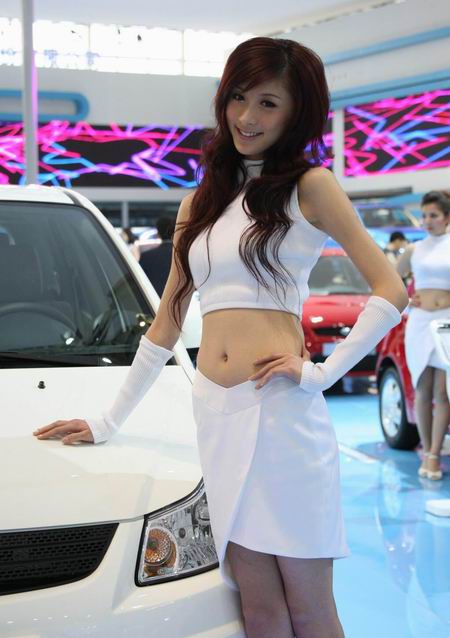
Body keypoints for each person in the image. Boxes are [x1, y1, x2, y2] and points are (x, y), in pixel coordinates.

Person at [33, 37, 407, 638]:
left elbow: (391, 290)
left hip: (282, 415)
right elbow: (166, 322)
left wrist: (320, 374)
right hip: (215, 414)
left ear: (296, 113)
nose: (247, 117)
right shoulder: (199, 203)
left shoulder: (311, 186)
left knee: (310, 610)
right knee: (257, 610)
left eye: (268, 103)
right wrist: (105, 422)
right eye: (238, 97)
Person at [397, 190, 450, 481]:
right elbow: (388, 279)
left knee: (443, 391)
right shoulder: (414, 249)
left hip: (446, 323)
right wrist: (406, 300)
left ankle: (434, 456)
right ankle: (426, 448)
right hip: (419, 324)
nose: (427, 221)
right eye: (424, 215)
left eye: (434, 215)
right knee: (422, 388)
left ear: (447, 217)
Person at [139, 216, 176, 296]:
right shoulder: (181, 255)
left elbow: (140, 281)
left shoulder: (146, 256)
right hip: (178, 299)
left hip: (152, 299)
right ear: (174, 232)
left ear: (158, 234)